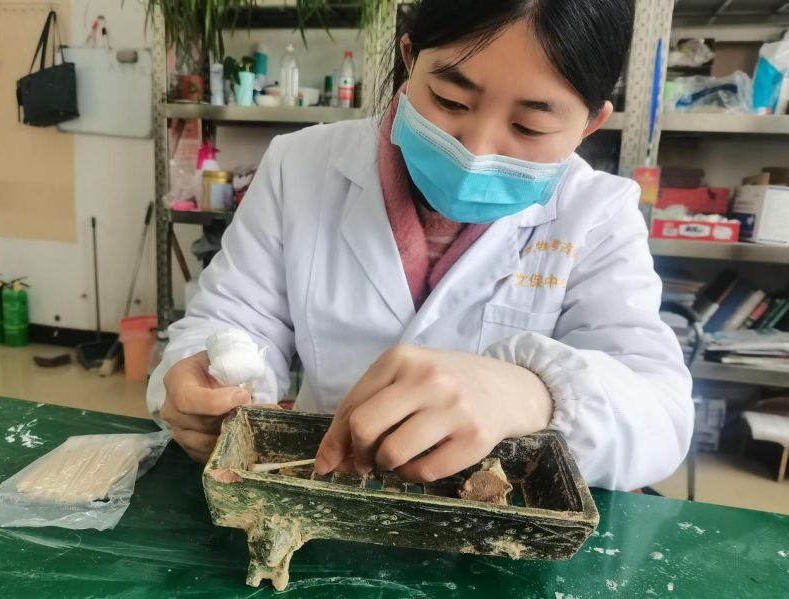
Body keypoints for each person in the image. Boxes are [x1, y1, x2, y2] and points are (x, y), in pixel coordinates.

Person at [147, 0, 693, 491]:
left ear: (590, 124)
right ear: (410, 59)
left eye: (528, 127)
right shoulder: (301, 164)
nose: (475, 151)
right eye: (450, 100)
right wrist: (209, 383)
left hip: (490, 516)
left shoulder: (597, 212)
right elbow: (233, 318)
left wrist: (532, 395)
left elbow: (660, 418)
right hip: (320, 483)